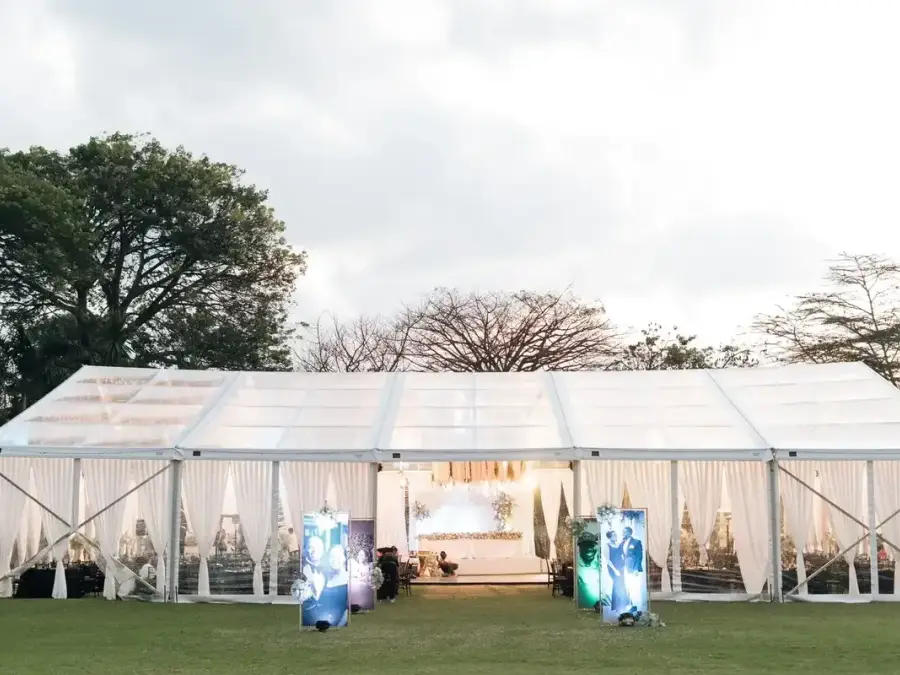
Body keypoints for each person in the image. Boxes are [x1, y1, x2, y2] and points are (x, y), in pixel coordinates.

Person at [604, 531, 629, 613]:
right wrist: (615, 570)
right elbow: (608, 560)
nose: (616, 536)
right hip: (613, 567)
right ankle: (617, 606)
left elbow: (623, 554)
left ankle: (622, 605)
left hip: (621, 567)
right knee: (617, 585)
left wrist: (625, 564)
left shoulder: (619, 544)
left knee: (621, 584)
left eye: (616, 534)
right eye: (614, 535)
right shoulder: (607, 546)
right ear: (609, 537)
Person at [621, 526, 644, 612]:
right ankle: (630, 605)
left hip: (633, 569)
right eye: (623, 532)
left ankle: (637, 607)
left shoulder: (636, 542)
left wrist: (636, 569)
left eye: (625, 532)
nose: (623, 534)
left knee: (634, 589)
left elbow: (639, 556)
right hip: (625, 568)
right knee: (627, 587)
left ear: (630, 533)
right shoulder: (622, 542)